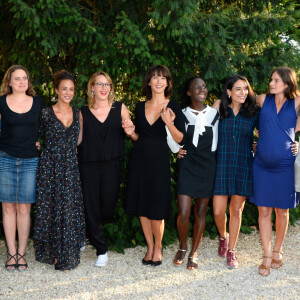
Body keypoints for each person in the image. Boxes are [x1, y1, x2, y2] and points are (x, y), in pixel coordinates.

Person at [124, 65, 185, 266]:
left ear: (167, 83)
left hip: (159, 161)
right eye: (155, 77)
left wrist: (168, 122)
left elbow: (180, 138)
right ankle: (149, 246)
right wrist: (131, 133)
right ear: (149, 82)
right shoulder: (140, 106)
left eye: (162, 78)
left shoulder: (173, 106)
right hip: (139, 159)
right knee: (142, 206)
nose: (159, 81)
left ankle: (158, 246)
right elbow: (140, 137)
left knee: (156, 207)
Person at [250, 67, 300, 276]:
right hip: (261, 165)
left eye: (276, 80)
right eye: (271, 80)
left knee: (282, 211)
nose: (271, 83)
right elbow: (241, 96)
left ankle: (278, 250)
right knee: (264, 210)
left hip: (285, 166)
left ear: (287, 84)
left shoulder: (296, 102)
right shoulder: (262, 99)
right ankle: (267, 254)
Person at [33, 70, 85, 271]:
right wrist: (38, 145)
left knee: (68, 207)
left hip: (70, 165)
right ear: (56, 90)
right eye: (64, 88)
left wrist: (68, 150)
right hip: (50, 166)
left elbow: (79, 139)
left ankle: (67, 251)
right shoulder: (46, 112)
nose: (68, 92)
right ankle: (55, 253)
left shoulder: (78, 112)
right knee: (52, 207)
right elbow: (35, 135)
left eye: (71, 89)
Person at [79, 71, 132, 267]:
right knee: (90, 204)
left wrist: (131, 129)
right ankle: (101, 250)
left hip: (112, 163)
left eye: (107, 84)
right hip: (88, 164)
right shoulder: (82, 112)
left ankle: (86, 231)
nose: (103, 88)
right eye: (99, 84)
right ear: (92, 87)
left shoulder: (120, 108)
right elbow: (79, 139)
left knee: (107, 205)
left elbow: (131, 130)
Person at [170, 77, 219, 270]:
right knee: (183, 212)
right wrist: (176, 149)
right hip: (187, 164)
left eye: (204, 86)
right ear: (189, 92)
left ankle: (194, 252)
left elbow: (218, 140)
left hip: (207, 165)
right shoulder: (181, 114)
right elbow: (171, 136)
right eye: (196, 87)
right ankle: (183, 246)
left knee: (200, 211)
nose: (202, 89)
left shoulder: (214, 114)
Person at [0, 65, 44, 271]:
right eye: (17, 79)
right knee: (8, 207)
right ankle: (11, 253)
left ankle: (22, 253)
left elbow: (48, 127)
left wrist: (42, 142)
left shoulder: (38, 103)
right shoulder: (1, 103)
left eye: (24, 78)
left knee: (24, 207)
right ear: (9, 82)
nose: (21, 82)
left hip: (30, 161)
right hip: (5, 159)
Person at [213, 75, 259, 269]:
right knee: (218, 211)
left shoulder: (254, 112)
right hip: (221, 164)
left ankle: (232, 250)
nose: (243, 93)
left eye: (245, 88)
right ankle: (223, 236)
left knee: (236, 210)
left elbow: (271, 130)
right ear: (229, 92)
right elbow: (201, 130)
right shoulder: (219, 109)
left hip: (243, 164)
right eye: (238, 89)